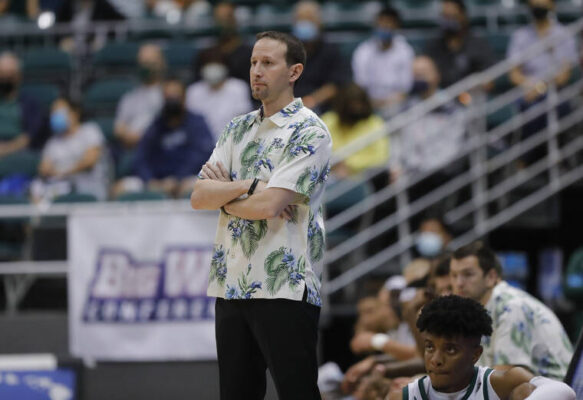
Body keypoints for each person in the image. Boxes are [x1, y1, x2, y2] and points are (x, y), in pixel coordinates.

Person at [190, 31, 332, 400]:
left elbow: (270, 206)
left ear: (294, 71)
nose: (256, 70)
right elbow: (199, 196)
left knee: (297, 393)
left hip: (284, 284)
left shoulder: (309, 130)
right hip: (231, 283)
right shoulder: (236, 128)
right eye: (254, 62)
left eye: (268, 63)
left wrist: (230, 194)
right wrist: (252, 185)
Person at [391, 295, 576, 400]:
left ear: (475, 355)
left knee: (524, 391)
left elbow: (564, 391)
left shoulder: (498, 384)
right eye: (430, 347)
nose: (436, 360)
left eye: (450, 350)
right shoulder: (404, 397)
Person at [450, 241, 573, 379]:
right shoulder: (477, 310)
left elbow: (505, 379)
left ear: (491, 277)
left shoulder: (512, 307)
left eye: (468, 274)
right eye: (454, 275)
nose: (458, 283)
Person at [506, 0, 577, 164]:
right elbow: (514, 74)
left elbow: (564, 76)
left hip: (555, 92)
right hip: (527, 91)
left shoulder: (564, 34)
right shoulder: (520, 35)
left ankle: (527, 161)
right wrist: (531, 86)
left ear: (552, 5)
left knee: (541, 108)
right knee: (529, 106)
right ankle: (551, 161)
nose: (538, 5)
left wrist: (540, 87)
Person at [132, 78, 213, 198]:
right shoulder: (156, 125)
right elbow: (141, 157)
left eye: (176, 96)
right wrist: (150, 180)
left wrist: (178, 179)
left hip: (188, 178)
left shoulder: (197, 123)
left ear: (184, 98)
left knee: (193, 186)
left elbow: (203, 154)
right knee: (124, 187)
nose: (172, 101)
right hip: (158, 181)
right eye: (168, 97)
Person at [35, 97, 109, 201]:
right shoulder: (52, 142)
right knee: (37, 188)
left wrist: (62, 172)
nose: (55, 116)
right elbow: (44, 167)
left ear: (75, 113)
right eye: (53, 112)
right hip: (61, 187)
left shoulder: (90, 130)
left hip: (90, 186)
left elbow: (90, 161)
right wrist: (48, 170)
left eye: (59, 112)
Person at [352, 7, 414, 116]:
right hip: (369, 104)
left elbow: (405, 88)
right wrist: (373, 103)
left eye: (389, 23)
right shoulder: (363, 51)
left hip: (397, 105)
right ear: (376, 24)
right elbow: (360, 86)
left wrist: (388, 103)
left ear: (396, 26)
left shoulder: (405, 51)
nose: (385, 26)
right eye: (382, 22)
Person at [292, 0, 351, 113]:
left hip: (323, 109)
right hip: (290, 106)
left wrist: (313, 100)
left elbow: (337, 84)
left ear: (319, 22)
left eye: (309, 19)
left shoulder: (331, 51)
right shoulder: (286, 50)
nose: (304, 23)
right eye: (301, 19)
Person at [423, 0, 496, 89]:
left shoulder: (478, 44)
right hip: (440, 97)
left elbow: (489, 81)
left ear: (463, 16)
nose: (448, 22)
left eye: (452, 17)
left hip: (472, 97)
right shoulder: (433, 45)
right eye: (445, 17)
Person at [321, 83, 388, 179]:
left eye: (359, 106)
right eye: (351, 107)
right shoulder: (328, 121)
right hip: (330, 177)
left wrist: (348, 164)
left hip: (365, 178)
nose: (356, 110)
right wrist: (334, 165)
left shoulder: (375, 123)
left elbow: (380, 158)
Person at [185, 52, 252, 142]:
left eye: (217, 64)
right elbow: (191, 123)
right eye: (209, 64)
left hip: (231, 143)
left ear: (225, 66)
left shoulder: (238, 88)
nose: (213, 68)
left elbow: (244, 121)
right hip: (201, 145)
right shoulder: (193, 91)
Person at [114, 43, 165, 149]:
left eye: (150, 62)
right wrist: (131, 137)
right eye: (143, 63)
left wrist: (145, 138)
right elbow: (119, 129)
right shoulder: (129, 98)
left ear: (160, 63)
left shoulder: (167, 94)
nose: (146, 67)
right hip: (133, 148)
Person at [193, 1, 252, 84]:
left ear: (235, 20)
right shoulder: (205, 54)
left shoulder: (249, 54)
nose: (224, 24)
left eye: (228, 18)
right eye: (220, 19)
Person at [0, 51, 46, 156]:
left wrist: (6, 150)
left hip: (20, 154)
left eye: (9, 74)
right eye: (2, 74)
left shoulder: (30, 103)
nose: (5, 78)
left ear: (18, 76)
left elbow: (30, 136)